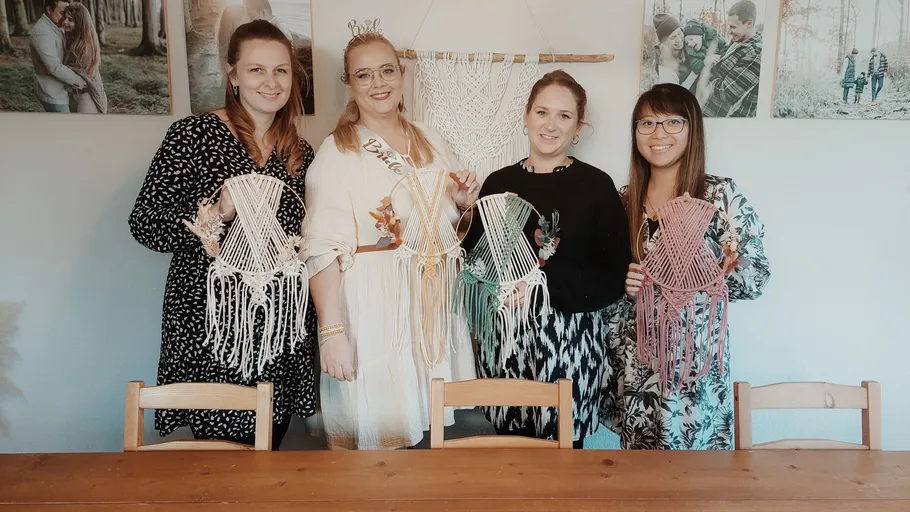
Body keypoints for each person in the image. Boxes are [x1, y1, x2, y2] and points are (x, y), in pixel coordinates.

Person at [128, 20, 317, 450]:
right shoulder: (191, 136)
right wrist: (214, 213)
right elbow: (145, 223)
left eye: (281, 71)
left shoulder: (300, 153)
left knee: (270, 450)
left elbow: (307, 233)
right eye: (256, 70)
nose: (271, 82)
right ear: (232, 74)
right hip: (212, 325)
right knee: (221, 461)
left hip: (278, 327)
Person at [301, 31, 479, 450]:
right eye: (364, 74)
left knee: (426, 438)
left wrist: (462, 199)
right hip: (374, 308)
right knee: (377, 436)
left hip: (428, 302)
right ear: (349, 83)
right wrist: (332, 332)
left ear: (401, 75)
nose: (378, 83)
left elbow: (449, 220)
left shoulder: (429, 140)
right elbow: (321, 248)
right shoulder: (337, 153)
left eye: (386, 71)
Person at [600, 83, 770, 450]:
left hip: (697, 365)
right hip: (640, 364)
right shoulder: (623, 200)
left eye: (672, 122)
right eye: (646, 123)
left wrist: (710, 265)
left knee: (700, 482)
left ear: (692, 129)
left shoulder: (720, 195)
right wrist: (623, 285)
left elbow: (755, 278)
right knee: (643, 486)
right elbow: (603, 284)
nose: (658, 134)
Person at [467, 70, 630, 449]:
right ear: (525, 116)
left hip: (570, 342)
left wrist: (542, 288)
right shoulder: (496, 183)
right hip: (508, 340)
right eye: (542, 113)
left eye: (564, 116)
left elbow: (612, 274)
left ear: (578, 127)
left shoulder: (596, 185)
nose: (550, 125)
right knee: (508, 452)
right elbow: (475, 261)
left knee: (563, 455)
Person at [701, 0, 762, 117]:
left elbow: (727, 92)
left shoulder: (755, 53)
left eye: (733, 27)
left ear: (749, 23)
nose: (729, 31)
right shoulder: (737, 41)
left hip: (727, 125)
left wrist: (707, 75)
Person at [29, 0, 86, 112]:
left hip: (63, 90)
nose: (65, 18)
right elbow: (54, 66)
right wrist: (80, 81)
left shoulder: (55, 25)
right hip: (53, 95)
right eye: (62, 13)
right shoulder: (42, 32)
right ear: (49, 10)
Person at [61, 2, 107, 113]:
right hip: (73, 95)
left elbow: (75, 71)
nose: (65, 22)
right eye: (65, 18)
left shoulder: (85, 46)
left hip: (86, 98)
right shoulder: (71, 38)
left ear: (80, 23)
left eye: (70, 20)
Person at [653, 13, 696, 91]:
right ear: (665, 42)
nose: (679, 40)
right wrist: (696, 72)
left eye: (679, 33)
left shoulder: (688, 41)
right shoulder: (665, 68)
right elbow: (676, 94)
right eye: (673, 38)